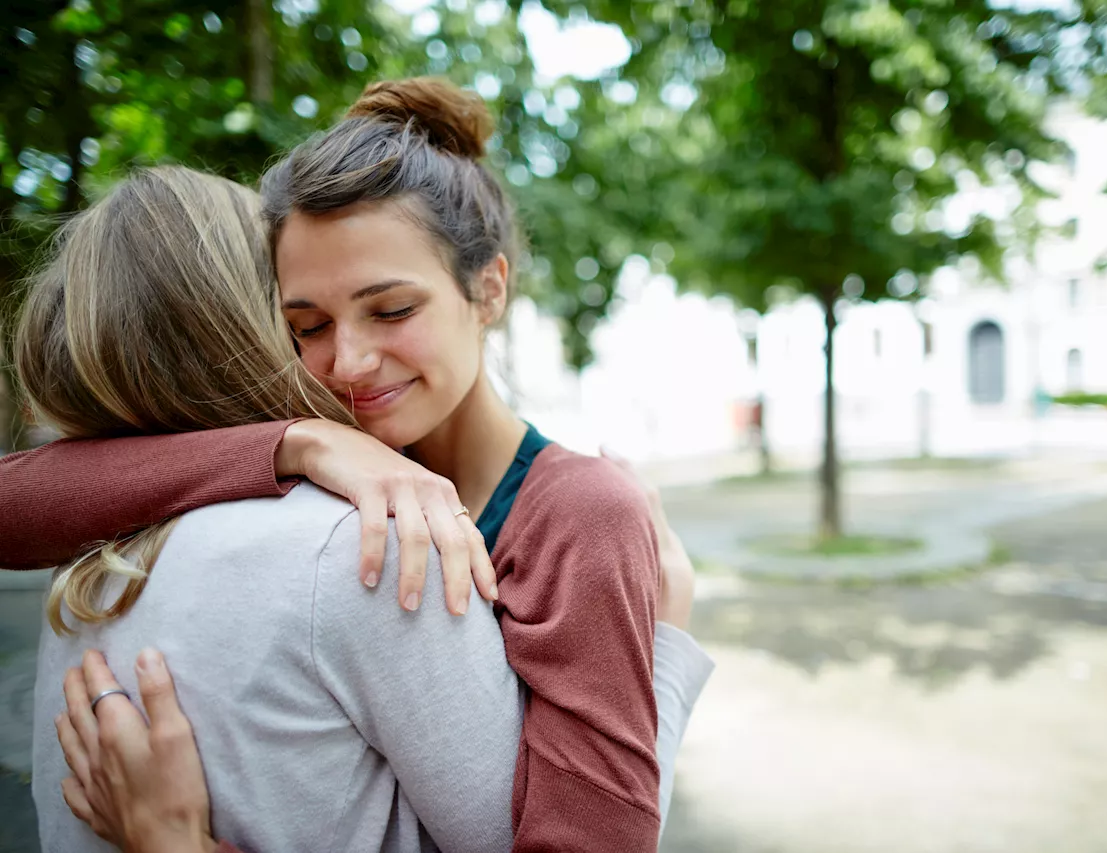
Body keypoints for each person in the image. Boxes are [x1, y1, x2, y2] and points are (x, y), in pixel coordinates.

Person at [3, 76, 710, 851]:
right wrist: (295, 444)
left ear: (488, 289)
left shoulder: (581, 512)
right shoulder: (326, 466)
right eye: (305, 325)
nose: (350, 360)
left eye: (393, 309)